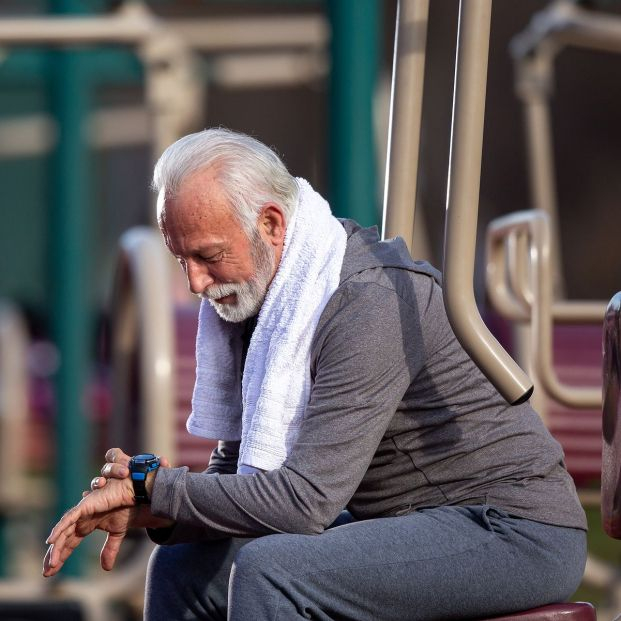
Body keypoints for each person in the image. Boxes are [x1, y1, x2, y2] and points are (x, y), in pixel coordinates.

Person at [43, 128, 587, 621]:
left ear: (271, 224)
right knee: (183, 564)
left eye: (208, 256)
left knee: (272, 571)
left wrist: (159, 490)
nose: (194, 284)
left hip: (512, 532)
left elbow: (304, 504)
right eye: (181, 259)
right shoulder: (259, 298)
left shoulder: (367, 299)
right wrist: (150, 509)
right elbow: (238, 479)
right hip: (410, 525)